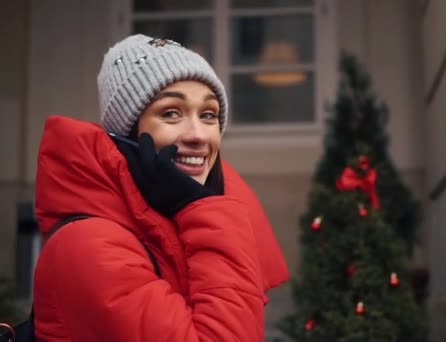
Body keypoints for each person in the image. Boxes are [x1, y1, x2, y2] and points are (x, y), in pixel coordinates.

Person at [32, 34, 289, 341]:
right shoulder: (88, 245)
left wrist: (197, 208)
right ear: (126, 137)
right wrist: (204, 211)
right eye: (171, 113)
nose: (199, 135)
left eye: (208, 115)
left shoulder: (183, 216)